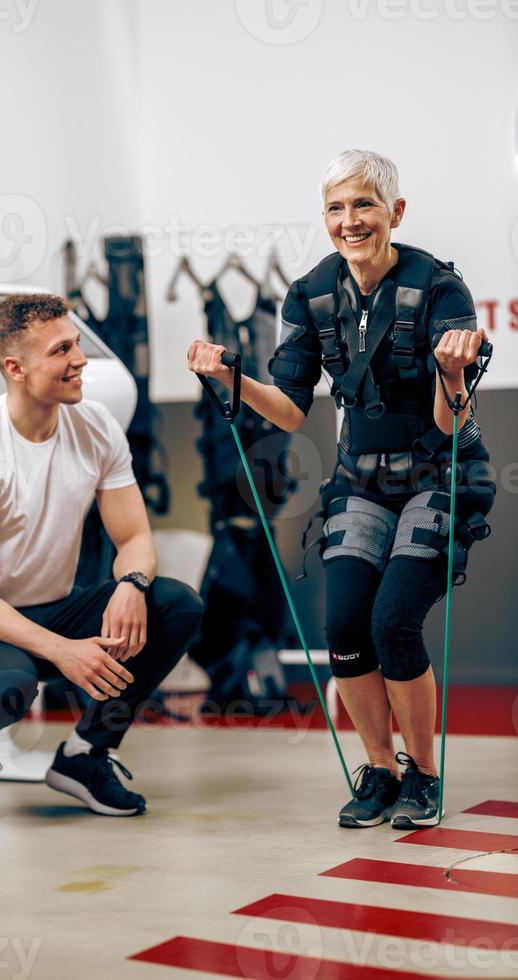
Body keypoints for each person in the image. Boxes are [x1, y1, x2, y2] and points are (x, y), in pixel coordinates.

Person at [187, 149, 494, 829]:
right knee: (346, 629)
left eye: (364, 205)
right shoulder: (311, 292)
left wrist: (451, 377)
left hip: (436, 477)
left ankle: (424, 774)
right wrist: (232, 378)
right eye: (336, 207)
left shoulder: (441, 289)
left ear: (395, 211)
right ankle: (379, 772)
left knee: (393, 623)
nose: (349, 221)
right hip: (358, 481)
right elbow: (293, 410)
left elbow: (451, 425)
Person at [0, 293, 204, 822]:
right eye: (62, 350)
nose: (80, 360)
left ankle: (85, 755)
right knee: (10, 687)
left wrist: (131, 585)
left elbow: (135, 536)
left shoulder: (95, 426)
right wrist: (64, 651)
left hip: (52, 609)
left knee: (174, 603)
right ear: (16, 368)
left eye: (77, 344)